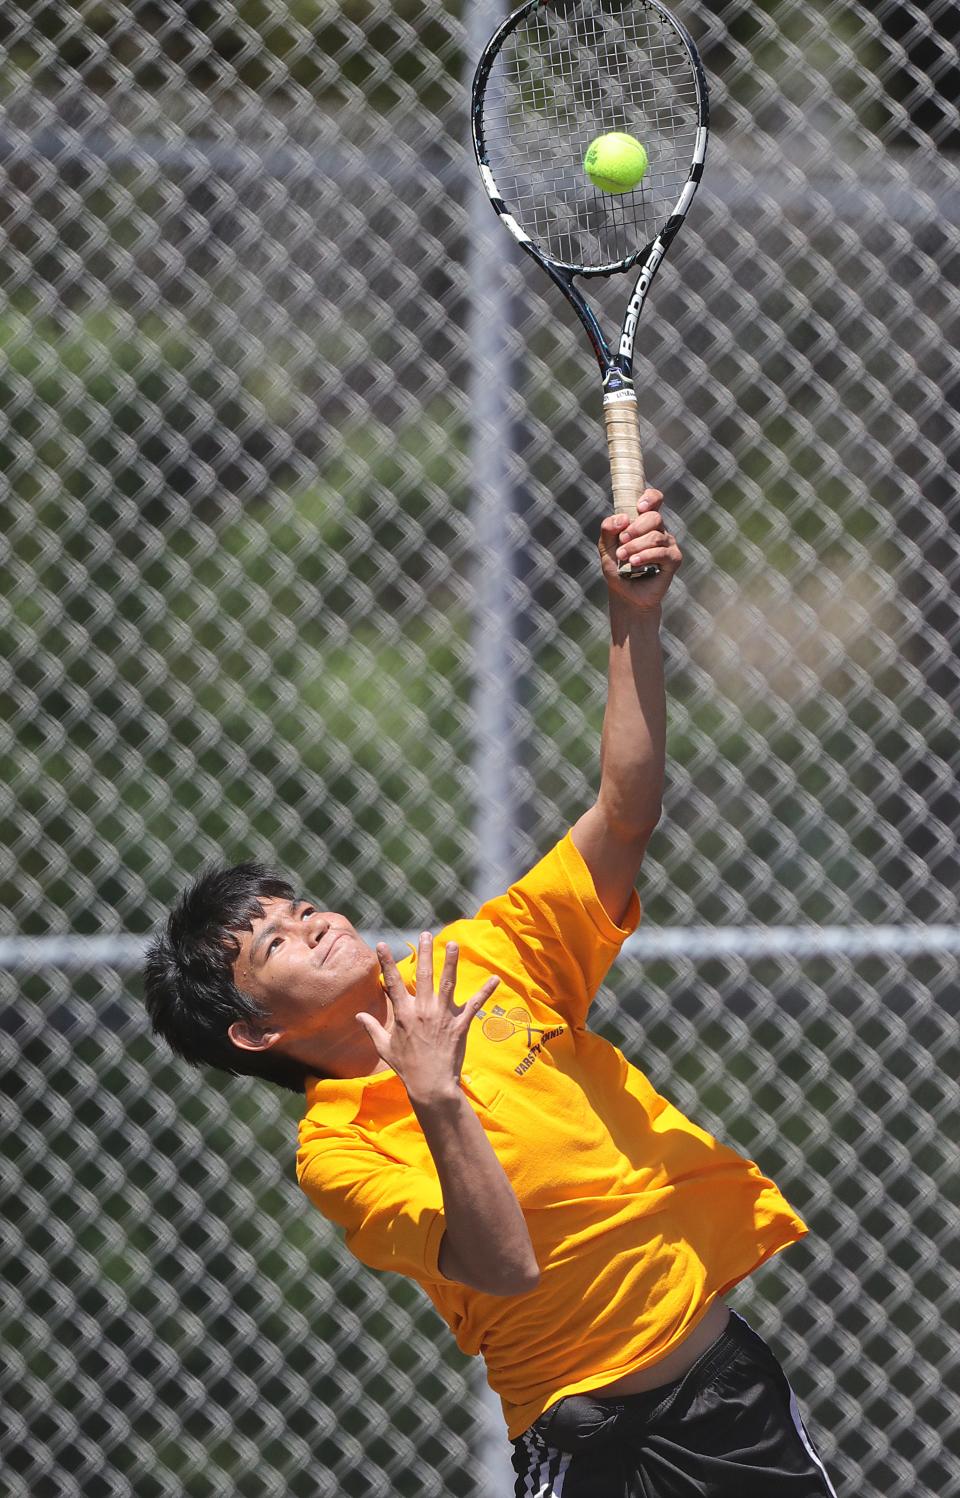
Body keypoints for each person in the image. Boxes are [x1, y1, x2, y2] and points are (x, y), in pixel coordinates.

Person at [145, 492, 838, 1497]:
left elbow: (626, 810)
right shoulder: (339, 1151)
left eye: (298, 907)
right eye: (274, 946)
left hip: (725, 1393)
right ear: (257, 1032)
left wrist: (633, 620)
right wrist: (433, 1092)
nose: (313, 924)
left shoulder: (486, 955)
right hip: (589, 1438)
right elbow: (504, 1264)